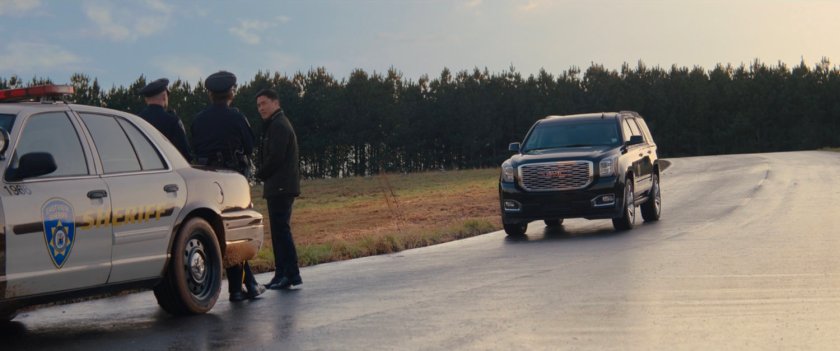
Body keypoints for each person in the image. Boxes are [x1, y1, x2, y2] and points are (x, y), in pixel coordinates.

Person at [191, 71, 262, 301]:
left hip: (207, 181)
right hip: (233, 179)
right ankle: (237, 288)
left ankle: (246, 284)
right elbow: (250, 146)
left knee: (223, 231)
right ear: (231, 92)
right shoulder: (236, 117)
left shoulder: (198, 120)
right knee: (237, 231)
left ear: (210, 94)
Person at [255, 88, 302, 290]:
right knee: (278, 231)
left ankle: (291, 274)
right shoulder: (274, 125)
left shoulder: (279, 126)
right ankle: (281, 273)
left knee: (281, 230)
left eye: (264, 103)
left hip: (281, 186)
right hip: (278, 186)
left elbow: (276, 157)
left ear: (276, 103)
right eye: (258, 105)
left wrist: (259, 174)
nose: (261, 108)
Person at [137, 78, 192, 161]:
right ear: (164, 96)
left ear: (146, 99)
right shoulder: (173, 121)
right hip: (167, 170)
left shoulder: (137, 120)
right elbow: (185, 154)